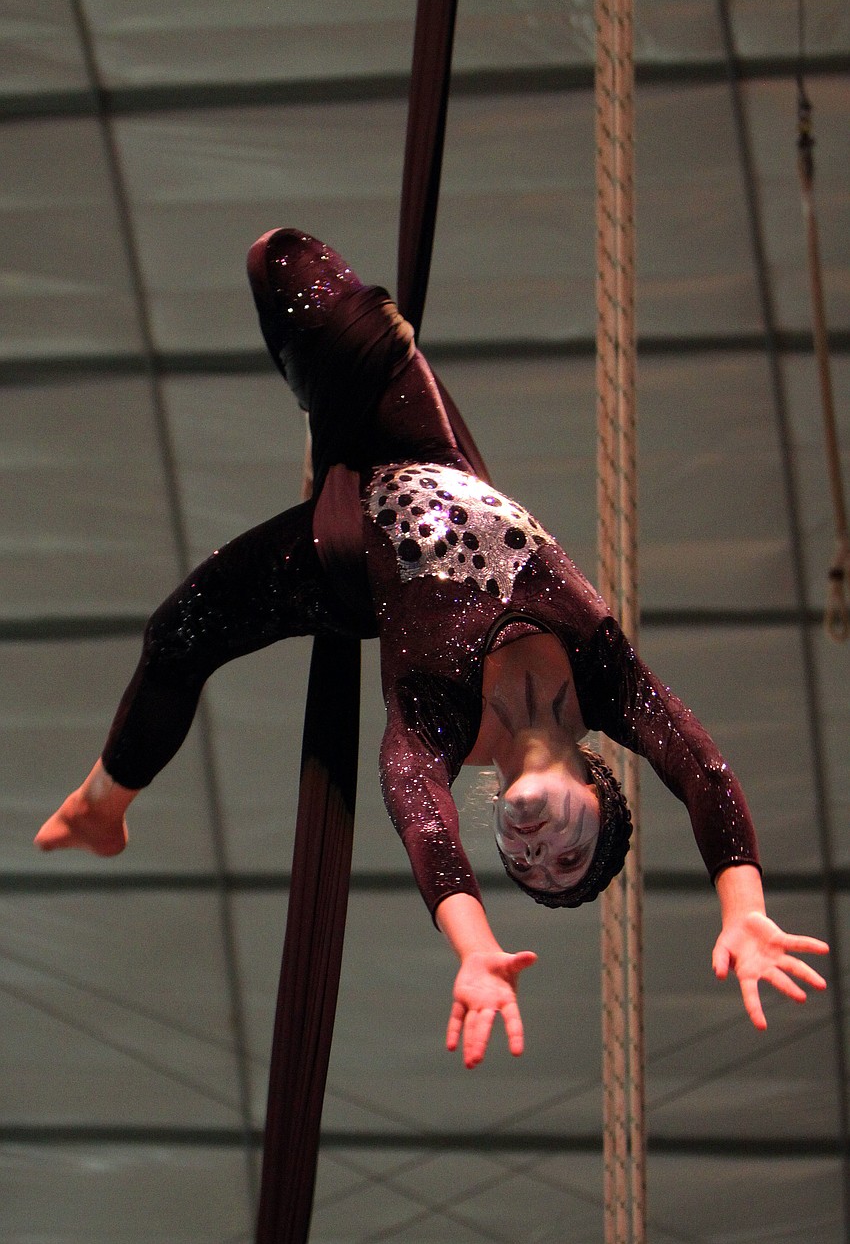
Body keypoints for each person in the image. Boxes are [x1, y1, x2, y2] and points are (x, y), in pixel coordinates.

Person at [35, 229, 829, 1069]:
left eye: (524, 862)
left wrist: (476, 947)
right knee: (286, 260)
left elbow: (422, 818)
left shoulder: (439, 720)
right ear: (601, 786)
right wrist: (742, 906)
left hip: (345, 557)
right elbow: (700, 769)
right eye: (568, 852)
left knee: (178, 632)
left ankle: (100, 807)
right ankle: (332, 418)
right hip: (426, 451)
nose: (535, 843)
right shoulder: (605, 677)